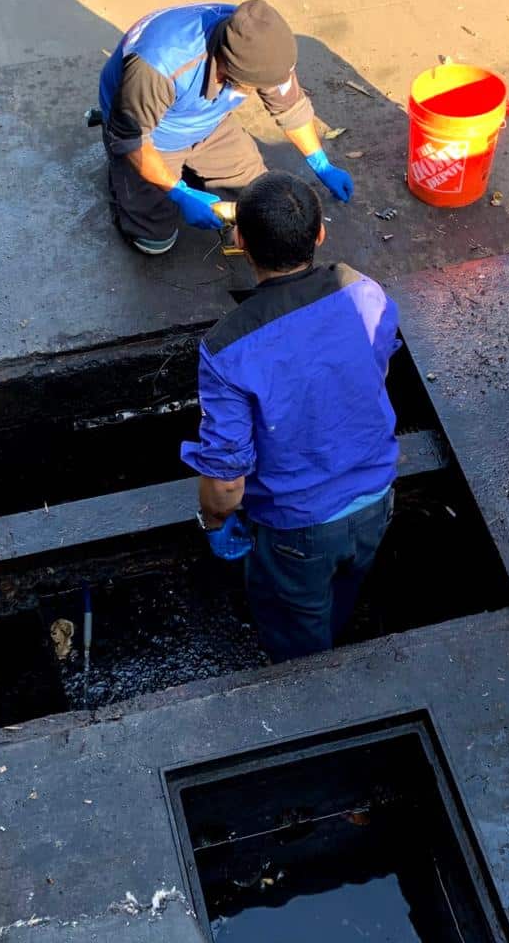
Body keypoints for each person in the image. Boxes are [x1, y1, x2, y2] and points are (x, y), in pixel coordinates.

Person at [180, 172, 400, 661]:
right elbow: (376, 365)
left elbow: (226, 483)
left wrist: (215, 524)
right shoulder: (364, 292)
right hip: (377, 497)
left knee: (299, 641)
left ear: (240, 242)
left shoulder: (227, 349)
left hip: (296, 530)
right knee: (347, 586)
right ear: (320, 233)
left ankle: (314, 690)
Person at [96, 0, 353, 255]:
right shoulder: (158, 66)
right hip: (150, 136)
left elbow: (290, 108)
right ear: (229, 71)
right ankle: (123, 183)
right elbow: (133, 140)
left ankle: (188, 170)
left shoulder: (261, 47)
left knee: (263, 201)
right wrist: (178, 192)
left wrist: (321, 163)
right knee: (154, 242)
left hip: (209, 123)